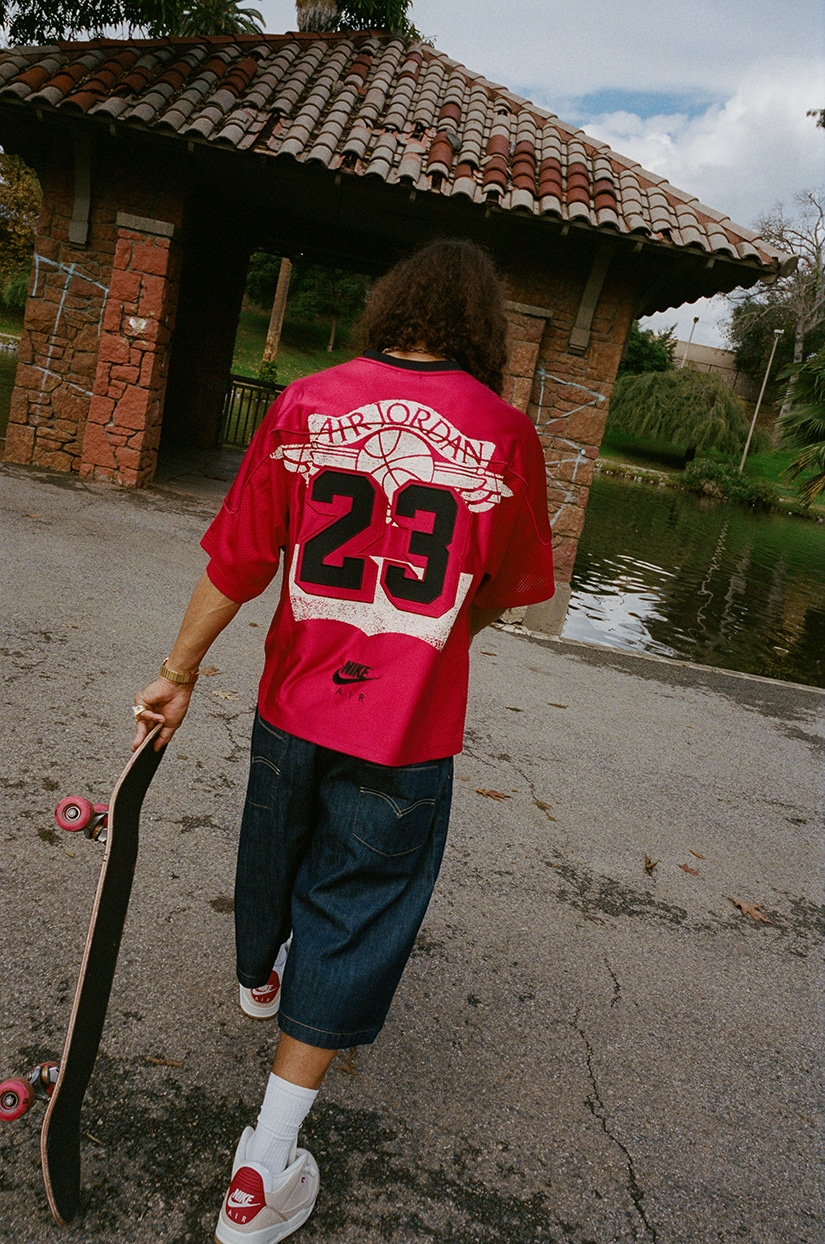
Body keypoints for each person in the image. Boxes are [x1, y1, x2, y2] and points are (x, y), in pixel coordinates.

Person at [132, 238, 555, 1244]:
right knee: (357, 907)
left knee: (274, 844)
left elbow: (238, 560)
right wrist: (440, 631)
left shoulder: (305, 402)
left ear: (390, 305)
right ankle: (259, 1175)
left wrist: (178, 672)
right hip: (405, 730)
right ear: (482, 329)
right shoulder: (504, 433)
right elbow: (501, 589)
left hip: (292, 704)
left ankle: (258, 977)